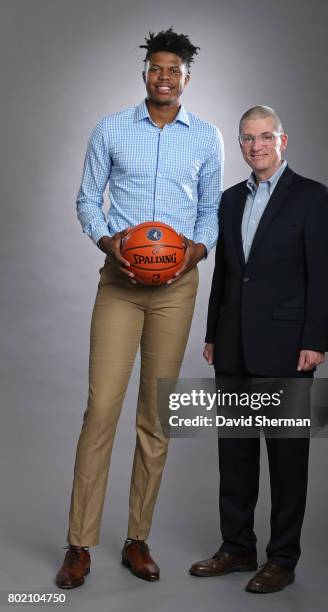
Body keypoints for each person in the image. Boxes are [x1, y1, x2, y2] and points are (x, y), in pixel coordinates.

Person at [56, 28, 224, 589]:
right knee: (101, 409)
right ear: (145, 74)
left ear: (187, 79)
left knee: (157, 417)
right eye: (157, 68)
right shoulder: (109, 129)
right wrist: (112, 245)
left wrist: (191, 254)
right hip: (120, 283)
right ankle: (79, 544)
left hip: (176, 287)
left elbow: (209, 214)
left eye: (175, 69)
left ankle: (137, 539)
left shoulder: (206, 137)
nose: (165, 76)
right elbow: (87, 200)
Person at [189, 105, 328, 593]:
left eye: (265, 136)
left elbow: (326, 274)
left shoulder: (312, 198)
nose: (256, 146)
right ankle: (236, 547)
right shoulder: (231, 200)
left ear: (283, 140)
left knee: (287, 459)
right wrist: (212, 333)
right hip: (232, 344)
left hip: (287, 347)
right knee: (234, 454)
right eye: (247, 138)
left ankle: (282, 558)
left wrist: (315, 341)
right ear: (240, 144)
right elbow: (228, 274)